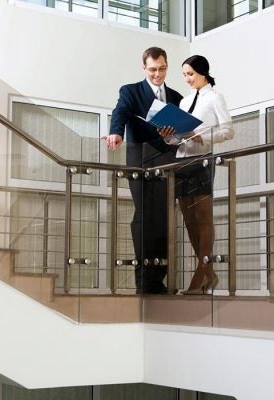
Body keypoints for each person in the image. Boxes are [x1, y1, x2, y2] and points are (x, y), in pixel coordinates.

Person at [105, 47, 183, 294]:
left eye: (161, 69)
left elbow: (180, 133)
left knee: (163, 218)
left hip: (167, 159)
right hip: (140, 159)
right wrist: (116, 131)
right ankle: (144, 281)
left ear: (167, 66)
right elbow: (121, 112)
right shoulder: (130, 91)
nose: (157, 74)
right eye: (152, 70)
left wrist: (174, 136)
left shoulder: (175, 96)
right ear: (144, 68)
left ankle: (157, 280)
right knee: (144, 215)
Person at [159, 55, 234, 295]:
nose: (187, 79)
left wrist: (202, 136)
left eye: (190, 74)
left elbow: (228, 131)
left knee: (203, 217)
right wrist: (168, 136)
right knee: (188, 219)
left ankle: (201, 275)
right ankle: (209, 273)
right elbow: (178, 138)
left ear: (203, 72)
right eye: (184, 75)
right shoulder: (184, 102)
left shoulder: (215, 98)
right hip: (182, 160)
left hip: (202, 159)